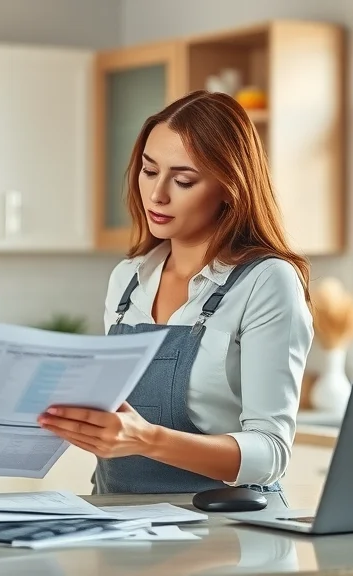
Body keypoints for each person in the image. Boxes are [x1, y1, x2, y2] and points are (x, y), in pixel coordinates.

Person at [38, 90, 314, 501]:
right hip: (119, 525)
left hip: (226, 533)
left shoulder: (266, 281)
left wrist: (147, 440)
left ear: (229, 187)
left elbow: (270, 452)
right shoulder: (128, 278)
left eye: (183, 180)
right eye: (149, 171)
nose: (157, 194)